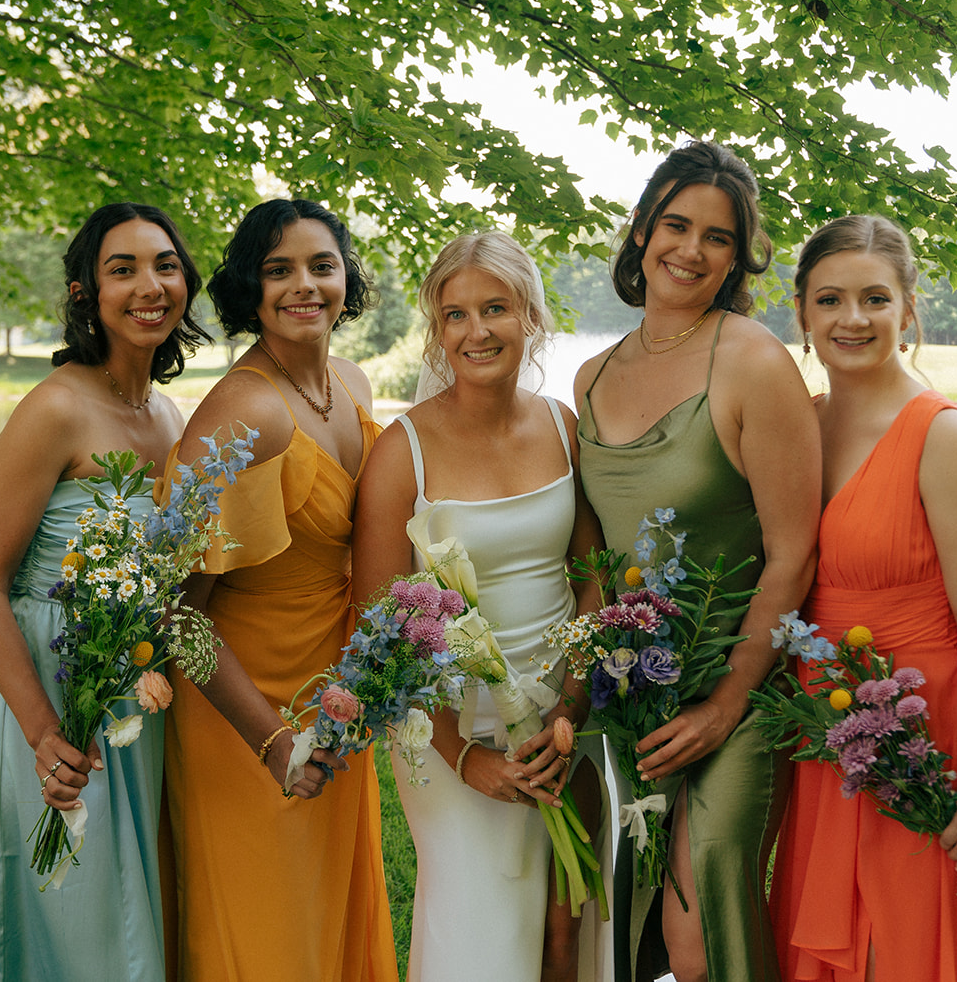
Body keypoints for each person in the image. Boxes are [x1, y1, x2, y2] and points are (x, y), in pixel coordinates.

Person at [769, 214, 957, 980]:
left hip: (932, 722)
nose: (853, 318)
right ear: (801, 312)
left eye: (875, 297)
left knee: (913, 939)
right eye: (830, 299)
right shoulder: (801, 423)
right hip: (826, 724)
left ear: (908, 309)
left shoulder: (942, 435)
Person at [572, 139, 820, 982]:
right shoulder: (591, 377)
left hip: (738, 689)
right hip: (634, 691)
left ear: (738, 255)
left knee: (701, 929)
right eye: (675, 224)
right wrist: (586, 690)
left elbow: (793, 554)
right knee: (630, 918)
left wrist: (725, 703)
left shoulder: (753, 361)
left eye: (718, 236)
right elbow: (601, 564)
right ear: (640, 230)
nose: (691, 249)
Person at [0, 202, 208, 981]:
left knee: (123, 922)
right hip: (42, 693)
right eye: (121, 269)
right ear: (86, 293)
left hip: (126, 700)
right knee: (55, 926)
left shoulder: (169, 415)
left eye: (164, 265)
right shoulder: (54, 408)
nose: (149, 284)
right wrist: (45, 734)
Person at [352, 232, 612, 982]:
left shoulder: (564, 426)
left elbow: (590, 573)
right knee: (483, 931)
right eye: (456, 314)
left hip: (566, 717)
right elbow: (381, 634)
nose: (477, 331)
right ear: (437, 331)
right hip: (451, 730)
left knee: (567, 931)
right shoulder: (403, 452)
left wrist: (571, 705)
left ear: (530, 314)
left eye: (495, 308)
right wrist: (467, 757)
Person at [162, 198, 397, 981]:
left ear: (345, 277)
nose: (305, 285)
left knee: (325, 926)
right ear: (249, 290)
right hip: (249, 714)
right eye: (278, 269)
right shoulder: (247, 411)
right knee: (267, 936)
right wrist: (271, 742)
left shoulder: (354, 382)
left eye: (322, 265)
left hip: (333, 694)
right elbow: (173, 614)